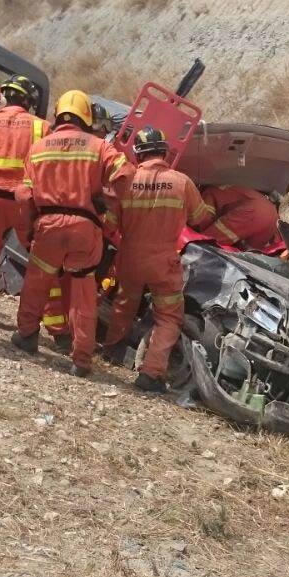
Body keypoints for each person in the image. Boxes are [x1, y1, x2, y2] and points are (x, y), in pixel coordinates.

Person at [12, 89, 134, 376]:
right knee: (83, 291)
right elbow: (126, 174)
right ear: (87, 116)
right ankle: (81, 359)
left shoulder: (39, 147)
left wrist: (28, 230)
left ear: (58, 115)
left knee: (37, 282)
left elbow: (23, 195)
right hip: (85, 228)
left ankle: (27, 335)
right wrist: (106, 201)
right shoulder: (99, 146)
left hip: (48, 226)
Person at [99, 127, 206, 393]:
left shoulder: (126, 180)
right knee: (169, 317)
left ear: (137, 153)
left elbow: (110, 224)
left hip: (131, 256)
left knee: (125, 303)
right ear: (164, 151)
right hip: (164, 261)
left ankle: (112, 349)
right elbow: (200, 217)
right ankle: (151, 373)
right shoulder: (182, 181)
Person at [0, 75, 47, 324]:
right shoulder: (41, 127)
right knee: (39, 259)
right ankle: (50, 321)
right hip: (22, 203)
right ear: (27, 100)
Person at [196, 184, 281, 251]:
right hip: (271, 214)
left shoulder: (207, 192)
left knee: (204, 244)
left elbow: (204, 223)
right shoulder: (229, 185)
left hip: (252, 212)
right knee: (249, 254)